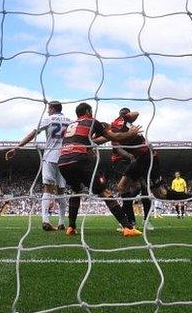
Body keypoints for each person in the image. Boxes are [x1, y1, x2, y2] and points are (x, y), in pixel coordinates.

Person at [57, 102, 143, 237]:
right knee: (104, 191)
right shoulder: (92, 121)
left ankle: (71, 227)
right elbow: (114, 137)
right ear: (87, 111)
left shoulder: (70, 125)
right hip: (79, 159)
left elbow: (83, 140)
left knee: (75, 191)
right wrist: (130, 133)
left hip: (62, 161)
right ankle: (127, 227)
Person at [109, 108, 192, 222]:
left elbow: (136, 113)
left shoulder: (124, 125)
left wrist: (127, 117)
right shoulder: (113, 131)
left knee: (161, 194)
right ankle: (130, 222)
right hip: (138, 159)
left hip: (149, 158)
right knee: (122, 187)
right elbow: (107, 143)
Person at [5, 100, 72, 231]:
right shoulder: (70, 121)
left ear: (52, 108)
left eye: (48, 108)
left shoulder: (48, 119)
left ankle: (46, 221)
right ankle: (62, 223)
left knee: (48, 189)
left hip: (50, 157)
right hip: (64, 158)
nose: (47, 111)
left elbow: (33, 133)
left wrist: (17, 147)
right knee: (61, 191)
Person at [108, 108, 153, 230]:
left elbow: (143, 144)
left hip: (135, 160)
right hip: (121, 161)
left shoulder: (134, 129)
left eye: (126, 116)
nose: (125, 118)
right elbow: (118, 149)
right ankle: (130, 221)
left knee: (143, 187)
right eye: (123, 116)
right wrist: (131, 156)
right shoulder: (116, 129)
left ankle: (146, 220)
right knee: (125, 189)